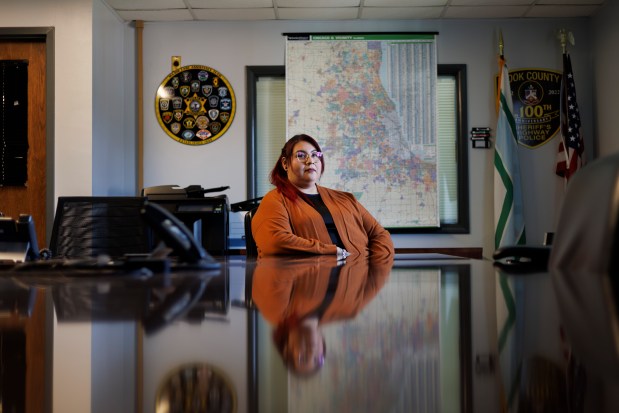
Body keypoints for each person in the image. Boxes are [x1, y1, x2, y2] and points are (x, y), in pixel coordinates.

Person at [251, 134, 394, 258]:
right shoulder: (275, 200)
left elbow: (380, 235)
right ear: (285, 163)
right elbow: (275, 242)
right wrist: (332, 252)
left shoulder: (346, 199)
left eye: (315, 155)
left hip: (356, 283)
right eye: (301, 155)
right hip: (310, 282)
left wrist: (372, 267)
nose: (310, 160)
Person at [252, 254, 393, 375]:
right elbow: (380, 274)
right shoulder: (349, 310)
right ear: (323, 347)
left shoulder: (275, 308)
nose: (311, 353)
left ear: (286, 347)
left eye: (302, 358)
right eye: (317, 359)